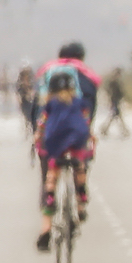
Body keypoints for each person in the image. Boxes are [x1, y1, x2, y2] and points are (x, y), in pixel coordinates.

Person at [35, 68, 92, 250]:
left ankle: (50, 196)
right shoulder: (79, 102)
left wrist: (38, 137)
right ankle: (81, 196)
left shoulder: (50, 105)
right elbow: (86, 122)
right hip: (76, 141)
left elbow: (42, 124)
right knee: (79, 166)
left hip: (55, 144)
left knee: (52, 172)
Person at [100, 66, 129, 137]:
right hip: (114, 101)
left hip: (115, 101)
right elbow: (113, 92)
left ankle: (105, 129)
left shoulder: (114, 81)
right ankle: (124, 131)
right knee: (116, 116)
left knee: (114, 116)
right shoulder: (114, 82)